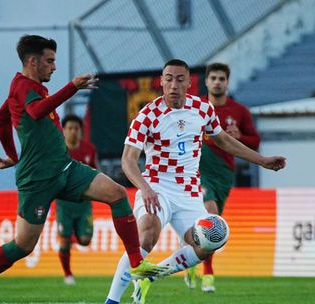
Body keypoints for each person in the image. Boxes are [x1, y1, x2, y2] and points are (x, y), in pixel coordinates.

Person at [0, 35, 166, 304]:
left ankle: (136, 264)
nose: (54, 67)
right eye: (49, 61)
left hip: (65, 168)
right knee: (23, 245)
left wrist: (12, 155)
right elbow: (36, 112)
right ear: (32, 61)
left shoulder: (28, 87)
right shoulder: (22, 86)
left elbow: (1, 118)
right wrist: (72, 87)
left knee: (118, 193)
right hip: (38, 179)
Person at [104, 59, 286, 304]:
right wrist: (145, 188)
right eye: (169, 78)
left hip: (189, 192)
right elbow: (128, 160)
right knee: (146, 234)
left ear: (189, 83)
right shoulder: (146, 116)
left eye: (180, 79)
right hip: (156, 186)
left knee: (207, 244)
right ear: (161, 82)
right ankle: (111, 301)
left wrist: (261, 160)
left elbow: (222, 140)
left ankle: (150, 277)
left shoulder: (203, 109)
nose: (174, 85)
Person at [184, 62, 261, 292]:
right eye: (213, 78)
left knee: (211, 225)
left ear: (227, 82)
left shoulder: (239, 111)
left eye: (222, 78)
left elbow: (254, 141)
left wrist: (240, 138)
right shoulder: (195, 107)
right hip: (198, 170)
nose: (217, 82)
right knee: (211, 216)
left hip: (224, 174)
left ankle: (190, 259)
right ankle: (208, 274)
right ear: (206, 81)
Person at [56, 114, 98, 285]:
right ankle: (68, 275)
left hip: (83, 203)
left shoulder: (89, 149)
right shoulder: (58, 151)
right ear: (63, 131)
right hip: (64, 203)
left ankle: (70, 235)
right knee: (64, 241)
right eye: (70, 128)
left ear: (81, 131)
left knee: (85, 241)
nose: (73, 131)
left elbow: (94, 174)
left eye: (76, 128)